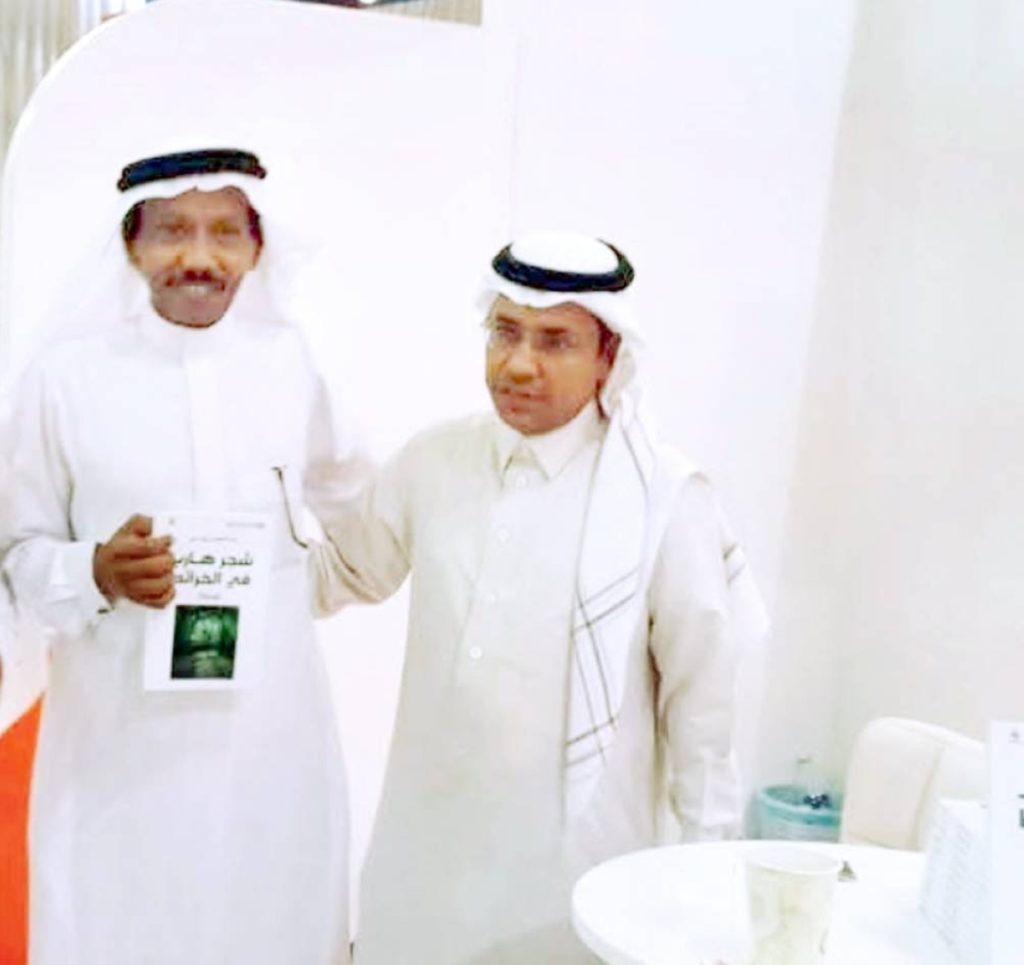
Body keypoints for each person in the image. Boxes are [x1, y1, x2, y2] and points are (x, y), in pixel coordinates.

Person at [312, 231, 768, 963]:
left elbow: (702, 710)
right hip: (424, 860)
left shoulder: (663, 499)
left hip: (573, 877)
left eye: (555, 341)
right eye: (505, 332)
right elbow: (336, 574)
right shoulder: (434, 460)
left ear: (608, 357)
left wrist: (704, 880)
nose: (519, 364)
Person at [2, 147, 361, 965]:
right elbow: (18, 555)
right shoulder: (65, 379)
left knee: (268, 919)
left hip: (269, 736)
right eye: (172, 231)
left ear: (258, 246)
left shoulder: (292, 363)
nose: (199, 258)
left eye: (225, 232)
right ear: (131, 244)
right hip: (119, 745)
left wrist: (299, 590)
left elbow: (363, 506)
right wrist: (94, 571)